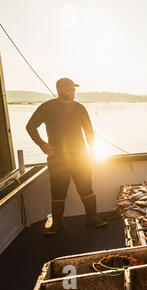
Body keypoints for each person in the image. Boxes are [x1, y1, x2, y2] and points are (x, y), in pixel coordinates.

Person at [26, 77, 108, 235]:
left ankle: (91, 218)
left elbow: (89, 132)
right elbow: (30, 127)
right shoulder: (47, 107)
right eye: (69, 89)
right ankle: (57, 224)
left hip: (81, 157)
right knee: (58, 191)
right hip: (58, 158)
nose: (73, 92)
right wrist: (42, 144)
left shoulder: (80, 108)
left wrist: (92, 153)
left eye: (74, 89)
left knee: (86, 188)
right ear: (60, 90)